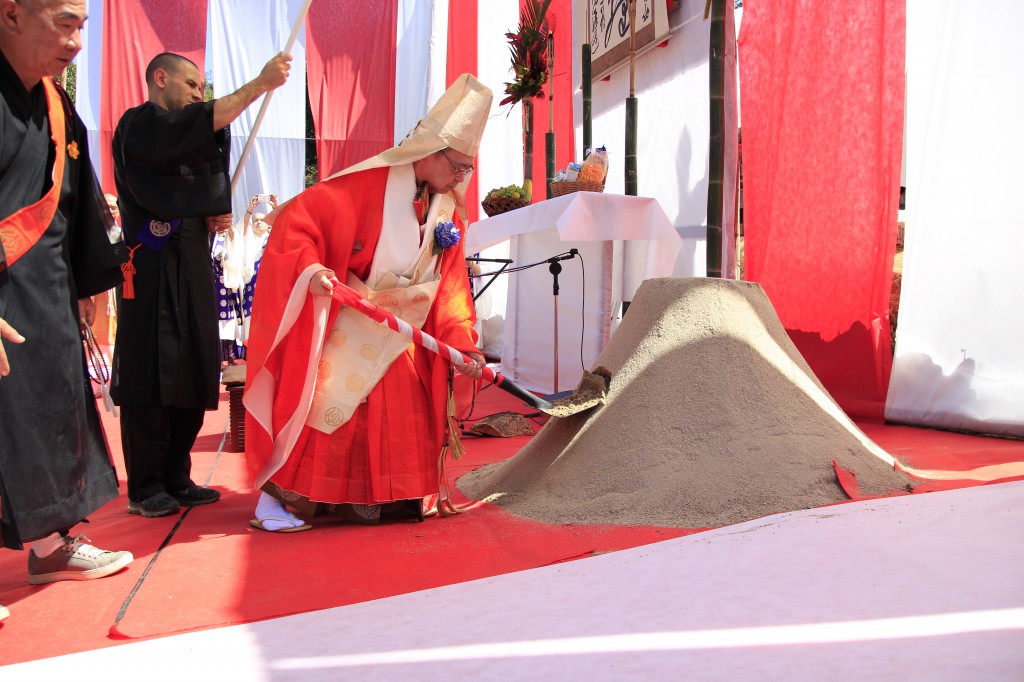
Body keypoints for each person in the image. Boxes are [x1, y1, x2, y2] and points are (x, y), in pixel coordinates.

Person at [244, 74, 491, 532]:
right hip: (354, 319)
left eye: (468, 170)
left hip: (405, 337)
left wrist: (465, 346)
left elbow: (451, 292)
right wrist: (312, 269)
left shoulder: (447, 215)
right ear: (429, 151)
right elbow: (298, 222)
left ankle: (388, 499)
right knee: (330, 407)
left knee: (401, 405)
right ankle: (283, 500)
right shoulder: (367, 184)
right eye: (457, 166)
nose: (461, 178)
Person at [110, 50, 290, 518]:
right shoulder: (139, 125)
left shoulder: (183, 135)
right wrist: (260, 83)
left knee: (193, 365)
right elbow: (186, 133)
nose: (196, 94)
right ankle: (145, 484)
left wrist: (214, 204)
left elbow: (202, 161)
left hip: (190, 258)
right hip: (148, 266)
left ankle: (176, 474)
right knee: (151, 371)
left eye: (200, 89)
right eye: (190, 85)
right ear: (160, 77)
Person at [0, 0, 134, 619]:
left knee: (50, 415)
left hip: (46, 289)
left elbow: (75, 204)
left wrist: (87, 287)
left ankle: (51, 548)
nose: (78, 41)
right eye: (65, 22)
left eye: (83, 25)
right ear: (10, 15)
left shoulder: (55, 104)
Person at [212, 193, 276, 366]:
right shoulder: (249, 241)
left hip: (271, 286)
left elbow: (283, 228)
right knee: (251, 321)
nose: (258, 222)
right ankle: (250, 355)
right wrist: (249, 211)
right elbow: (240, 232)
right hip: (252, 287)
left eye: (262, 219)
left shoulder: (272, 238)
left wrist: (275, 209)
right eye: (255, 220)